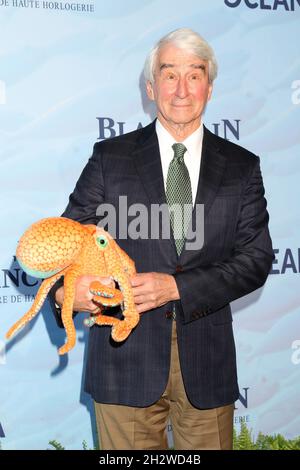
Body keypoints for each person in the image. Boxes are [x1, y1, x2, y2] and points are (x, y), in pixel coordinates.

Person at [49, 28, 273, 450]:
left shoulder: (243, 168)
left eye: (195, 74)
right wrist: (66, 294)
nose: (182, 89)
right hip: (123, 362)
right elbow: (66, 243)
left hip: (207, 365)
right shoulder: (109, 159)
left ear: (210, 85)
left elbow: (256, 259)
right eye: (170, 75)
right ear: (151, 87)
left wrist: (175, 287)